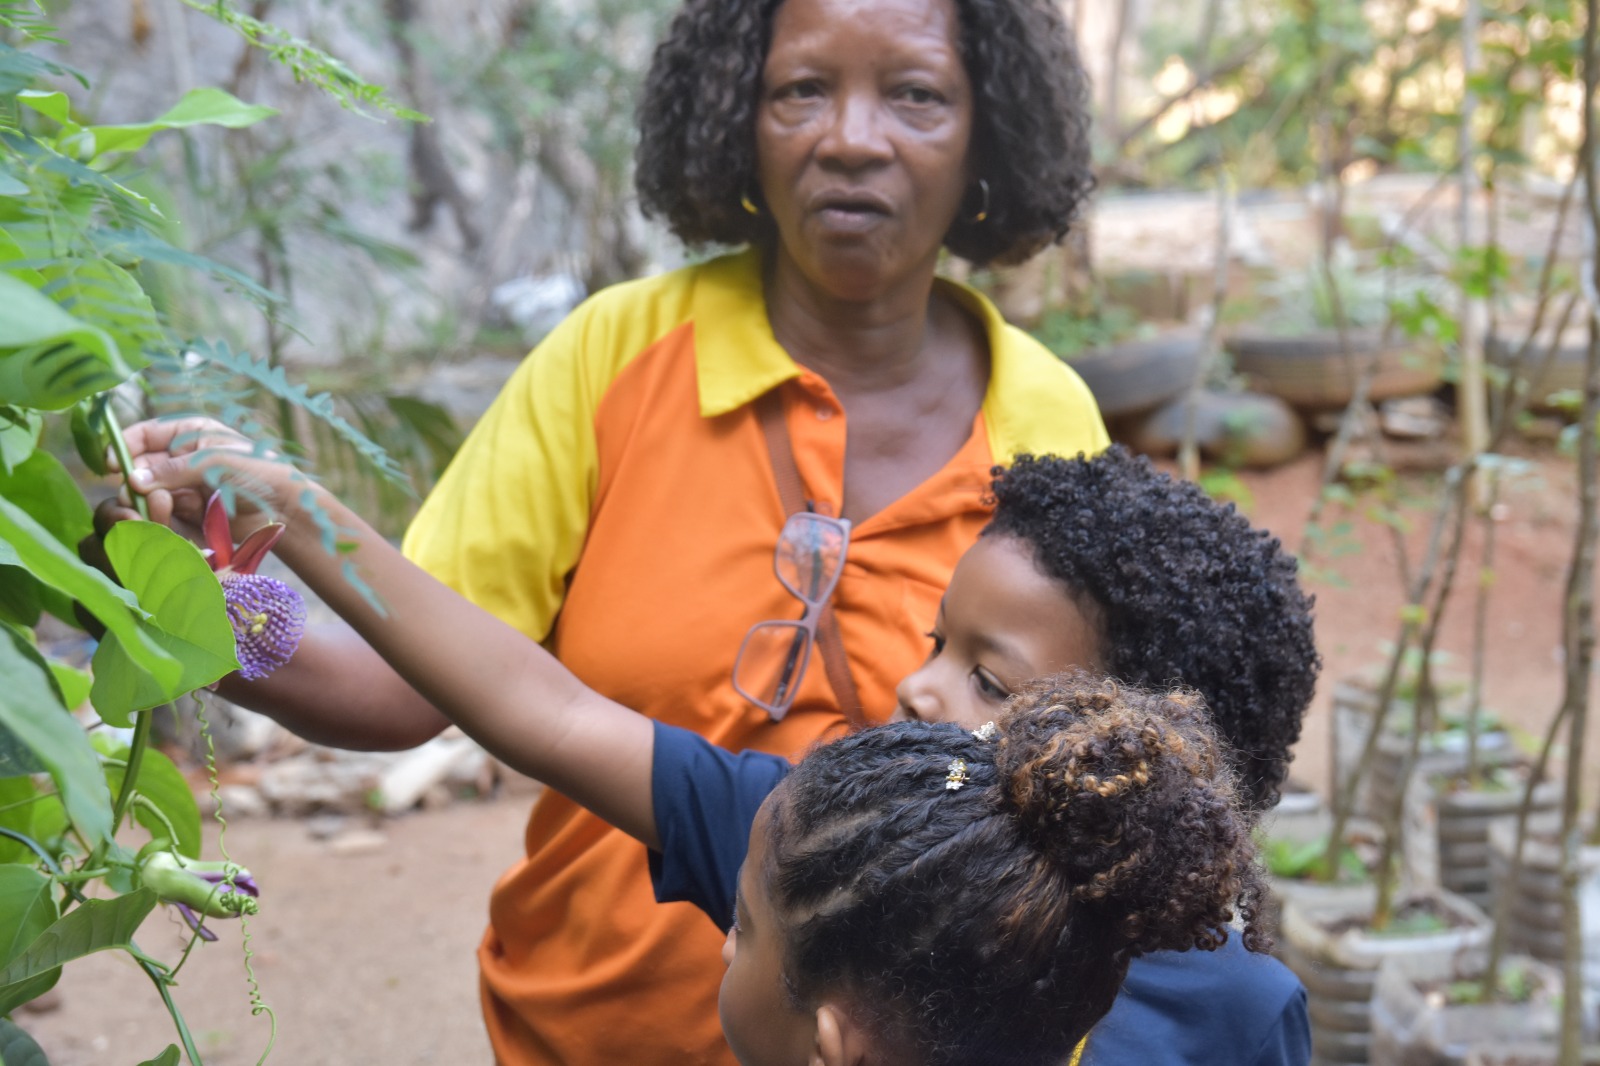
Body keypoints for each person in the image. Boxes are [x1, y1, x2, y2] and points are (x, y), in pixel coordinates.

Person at [94, 0, 1106, 1058]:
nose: (852, 137)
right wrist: (146, 587)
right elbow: (400, 680)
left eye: (916, 95)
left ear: (989, 134)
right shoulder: (612, 360)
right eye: (802, 89)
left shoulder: (1046, 425)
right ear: (735, 117)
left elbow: (1082, 810)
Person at [111, 435, 1313, 1063]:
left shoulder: (1235, 1007)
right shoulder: (835, 839)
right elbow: (546, 710)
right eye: (934, 640)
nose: (917, 683)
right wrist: (295, 519)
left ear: (1140, 747)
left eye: (986, 679)